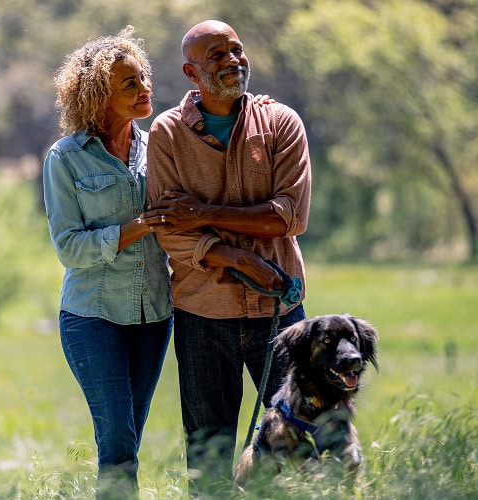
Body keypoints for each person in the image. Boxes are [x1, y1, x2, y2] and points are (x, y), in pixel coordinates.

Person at [146, 20, 312, 495]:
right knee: (208, 454)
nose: (232, 60)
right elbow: (167, 232)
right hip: (202, 314)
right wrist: (236, 259)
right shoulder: (168, 134)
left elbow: (290, 216)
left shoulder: (281, 123)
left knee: (298, 441)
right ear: (190, 72)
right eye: (216, 55)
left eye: (236, 50)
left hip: (280, 311)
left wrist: (203, 213)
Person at [41, 27, 174, 499]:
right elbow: (69, 248)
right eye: (129, 85)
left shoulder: (161, 144)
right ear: (98, 96)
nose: (144, 90)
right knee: (117, 440)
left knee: (127, 442)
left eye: (142, 79)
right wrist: (138, 226)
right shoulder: (65, 160)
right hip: (91, 316)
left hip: (154, 315)